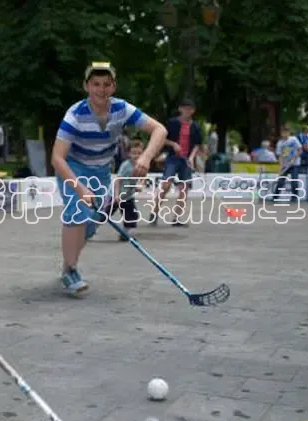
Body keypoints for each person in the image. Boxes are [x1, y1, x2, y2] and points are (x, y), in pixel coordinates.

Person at [52, 62, 167, 297]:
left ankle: (67, 266)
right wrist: (79, 188)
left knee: (92, 223)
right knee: (77, 211)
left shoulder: (121, 109)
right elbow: (57, 158)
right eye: (95, 84)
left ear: (113, 87)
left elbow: (160, 130)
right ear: (86, 86)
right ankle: (71, 270)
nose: (101, 90)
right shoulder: (75, 115)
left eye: (106, 84)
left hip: (102, 172)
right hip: (73, 167)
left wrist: (145, 157)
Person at [150, 98, 202, 227]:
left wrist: (191, 157)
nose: (187, 111)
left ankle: (177, 217)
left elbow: (197, 144)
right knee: (166, 185)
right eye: (185, 108)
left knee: (184, 189)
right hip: (173, 158)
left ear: (193, 111)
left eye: (190, 109)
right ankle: (154, 213)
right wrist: (173, 144)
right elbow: (162, 138)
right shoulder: (172, 123)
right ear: (180, 109)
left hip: (186, 161)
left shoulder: (195, 126)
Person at [111, 139, 144, 241]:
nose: (136, 156)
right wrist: (116, 195)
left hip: (128, 196)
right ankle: (87, 229)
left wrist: (139, 185)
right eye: (134, 153)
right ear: (129, 153)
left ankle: (126, 234)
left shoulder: (141, 166)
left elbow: (142, 178)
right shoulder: (125, 165)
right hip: (116, 196)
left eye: (139, 153)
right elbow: (118, 181)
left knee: (132, 215)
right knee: (104, 215)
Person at [274, 125, 302, 202]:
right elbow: (280, 156)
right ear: (281, 133)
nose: (285, 134)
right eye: (284, 132)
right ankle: (275, 197)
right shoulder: (279, 143)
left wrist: (294, 158)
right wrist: (281, 167)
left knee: (294, 180)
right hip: (285, 165)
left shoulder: (294, 139)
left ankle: (294, 197)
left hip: (295, 164)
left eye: (287, 132)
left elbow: (300, 150)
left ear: (289, 133)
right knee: (281, 181)